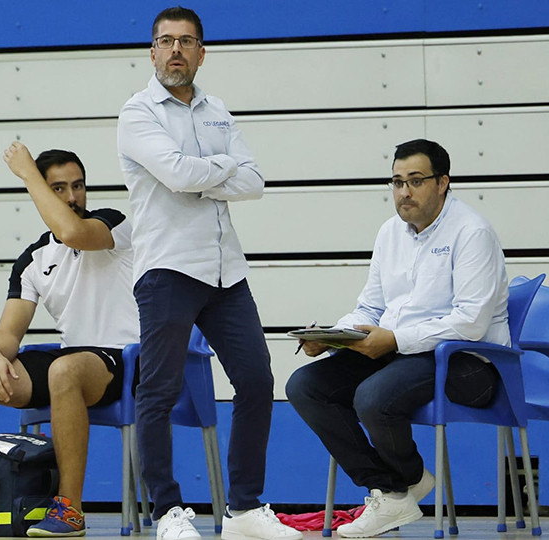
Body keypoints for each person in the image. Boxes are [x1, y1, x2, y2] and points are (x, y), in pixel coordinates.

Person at [116, 6, 301, 540]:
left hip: (226, 271)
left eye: (186, 41)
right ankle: (168, 512)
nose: (175, 50)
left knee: (257, 380)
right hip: (168, 269)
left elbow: (257, 181)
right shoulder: (136, 113)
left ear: (202, 52)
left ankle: (243, 510)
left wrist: (203, 175)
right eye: (165, 41)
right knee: (159, 391)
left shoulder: (217, 109)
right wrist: (223, 169)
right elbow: (174, 174)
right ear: (152, 52)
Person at [285, 139, 510, 538]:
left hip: (468, 363)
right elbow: (370, 308)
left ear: (443, 183)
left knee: (373, 396)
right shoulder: (391, 232)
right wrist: (334, 336)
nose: (404, 192)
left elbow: (470, 322)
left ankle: (396, 490)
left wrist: (394, 340)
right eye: (396, 182)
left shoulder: (472, 232)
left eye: (416, 181)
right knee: (305, 385)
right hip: (402, 354)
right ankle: (394, 488)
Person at [0, 143, 139, 538]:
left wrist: (27, 174)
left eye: (78, 186)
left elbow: (71, 230)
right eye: (59, 188)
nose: (72, 197)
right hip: (67, 360)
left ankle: (69, 509)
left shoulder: (111, 224)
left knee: (64, 370)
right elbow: (8, 330)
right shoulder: (34, 258)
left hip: (122, 359)